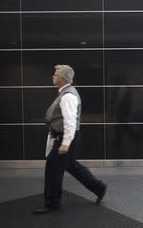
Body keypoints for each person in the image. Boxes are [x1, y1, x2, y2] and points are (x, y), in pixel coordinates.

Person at [34, 64, 107, 214]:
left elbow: (70, 121)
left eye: (55, 74)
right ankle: (99, 187)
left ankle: (52, 204)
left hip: (66, 138)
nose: (53, 76)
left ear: (63, 78)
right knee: (71, 166)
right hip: (65, 137)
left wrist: (65, 143)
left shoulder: (68, 96)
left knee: (53, 169)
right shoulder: (65, 93)